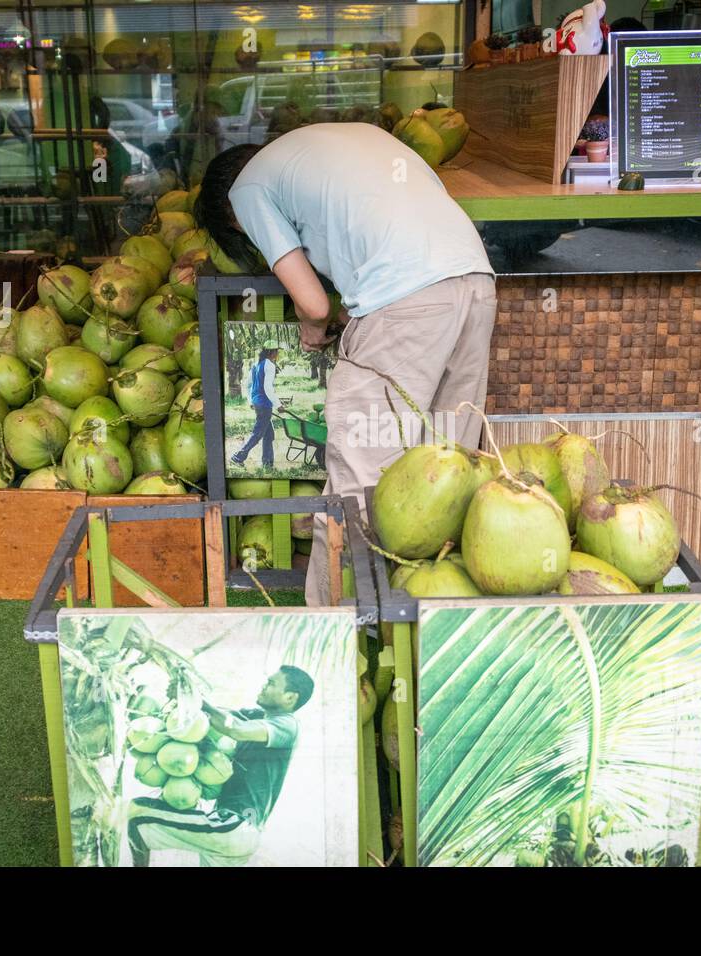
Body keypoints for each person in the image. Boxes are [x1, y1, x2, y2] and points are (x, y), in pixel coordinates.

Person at [195, 122, 496, 604]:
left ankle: (336, 631)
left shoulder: (248, 188)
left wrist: (313, 325)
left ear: (229, 212)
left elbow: (312, 304)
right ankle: (436, 620)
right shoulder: (345, 142)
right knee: (449, 469)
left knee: (357, 486)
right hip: (476, 284)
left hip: (404, 301)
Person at [127, 665, 314, 867]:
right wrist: (186, 697)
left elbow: (235, 729)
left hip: (235, 825)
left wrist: (198, 701)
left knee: (137, 816)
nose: (263, 686)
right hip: (236, 835)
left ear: (290, 698)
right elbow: (215, 718)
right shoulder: (255, 716)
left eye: (271, 683)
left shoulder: (288, 725)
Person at [230, 341, 282, 469]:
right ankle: (237, 457)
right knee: (257, 433)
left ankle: (267, 464)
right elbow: (268, 388)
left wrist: (250, 401)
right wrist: (278, 405)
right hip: (264, 404)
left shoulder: (256, 365)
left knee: (269, 434)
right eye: (276, 350)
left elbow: (247, 385)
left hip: (258, 403)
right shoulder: (269, 365)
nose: (277, 353)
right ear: (271, 352)